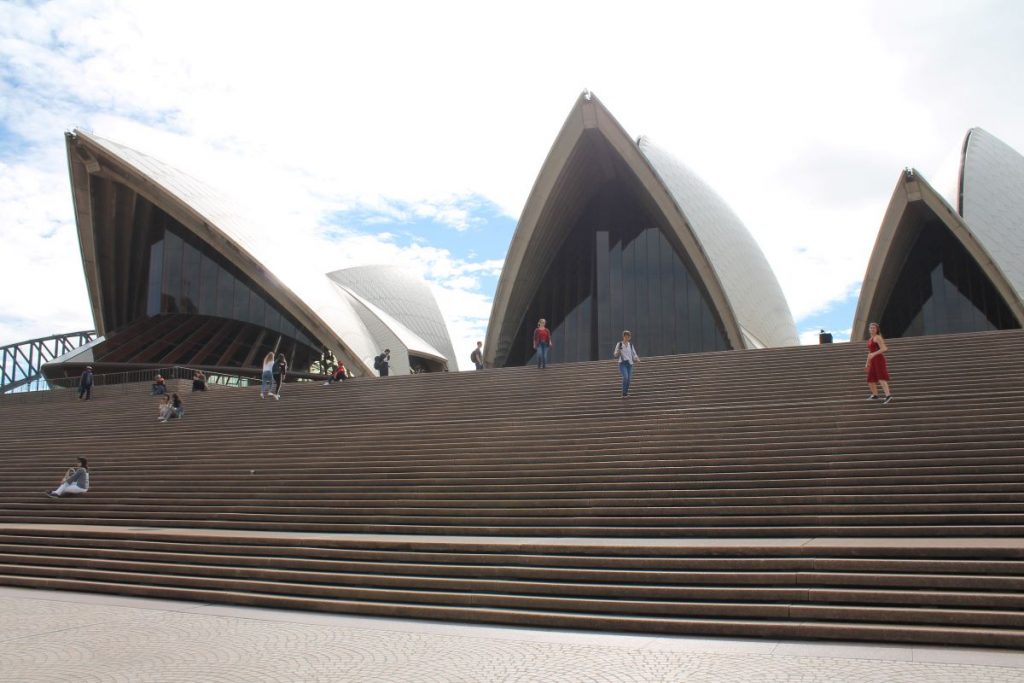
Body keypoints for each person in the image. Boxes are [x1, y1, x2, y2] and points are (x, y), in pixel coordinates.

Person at [865, 322, 893, 404]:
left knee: (881, 378)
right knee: (870, 379)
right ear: (869, 329)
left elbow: (884, 348)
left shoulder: (877, 337)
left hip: (879, 359)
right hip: (873, 360)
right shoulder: (870, 339)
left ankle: (888, 396)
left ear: (877, 330)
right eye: (871, 328)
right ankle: (875, 395)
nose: (872, 329)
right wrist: (867, 362)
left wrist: (874, 354)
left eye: (874, 328)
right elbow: (869, 352)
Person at [614, 330, 640, 398]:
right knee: (625, 377)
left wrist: (637, 358)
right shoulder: (619, 344)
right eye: (625, 336)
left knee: (629, 379)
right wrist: (618, 352)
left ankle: (625, 393)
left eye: (628, 337)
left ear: (629, 337)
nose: (626, 338)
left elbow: (634, 354)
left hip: (630, 364)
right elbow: (615, 354)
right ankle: (623, 393)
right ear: (623, 337)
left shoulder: (630, 345)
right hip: (622, 363)